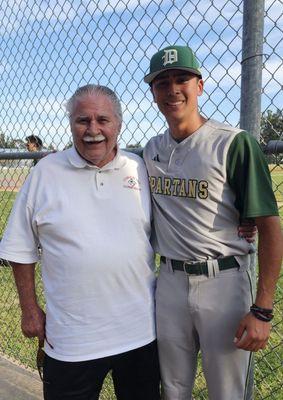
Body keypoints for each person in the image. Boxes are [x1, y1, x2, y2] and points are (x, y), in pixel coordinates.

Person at [0, 85, 160, 400]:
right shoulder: (45, 172)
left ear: (119, 124)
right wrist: (29, 309)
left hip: (140, 333)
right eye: (82, 120)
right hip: (72, 340)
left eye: (103, 120)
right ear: (71, 124)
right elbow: (19, 248)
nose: (93, 130)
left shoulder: (139, 169)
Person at [142, 45, 282, 400]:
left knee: (227, 393)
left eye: (182, 79)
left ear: (200, 86)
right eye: (162, 83)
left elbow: (269, 226)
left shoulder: (233, 143)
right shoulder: (149, 151)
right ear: (153, 93)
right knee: (172, 389)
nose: (173, 89)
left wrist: (263, 309)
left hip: (224, 279)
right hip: (170, 282)